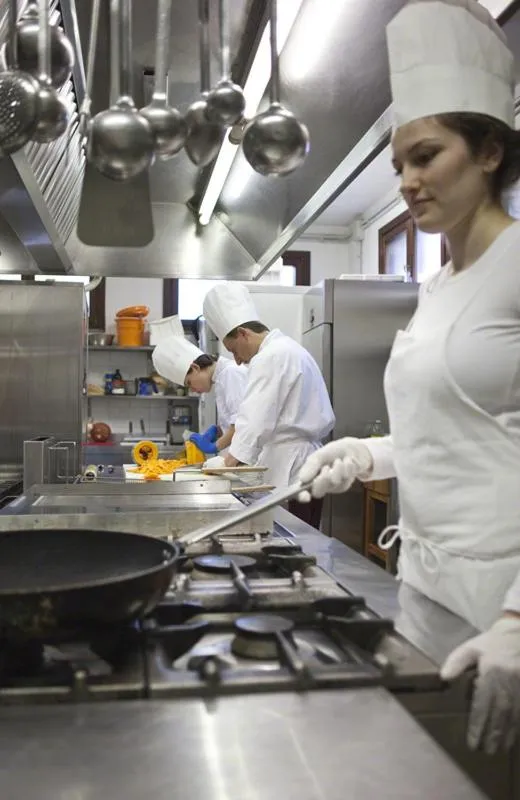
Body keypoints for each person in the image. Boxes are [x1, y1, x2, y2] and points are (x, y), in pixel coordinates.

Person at [299, 0, 520, 754]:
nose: (406, 181)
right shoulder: (437, 287)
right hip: (424, 590)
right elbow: (459, 427)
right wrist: (368, 456)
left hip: (506, 615)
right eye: (398, 164)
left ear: (489, 151)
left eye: (425, 156)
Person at [202, 281, 335, 527]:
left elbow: (255, 418)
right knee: (303, 536)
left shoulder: (271, 356)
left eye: (234, 350)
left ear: (243, 334)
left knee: (296, 540)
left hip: (294, 466)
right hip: (303, 462)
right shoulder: (289, 349)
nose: (237, 361)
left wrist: (227, 464)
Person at [152, 333, 248, 455]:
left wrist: (214, 447)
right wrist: (218, 430)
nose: (193, 390)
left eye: (189, 383)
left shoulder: (231, 373)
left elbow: (242, 425)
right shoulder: (221, 378)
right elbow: (235, 420)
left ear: (195, 367)